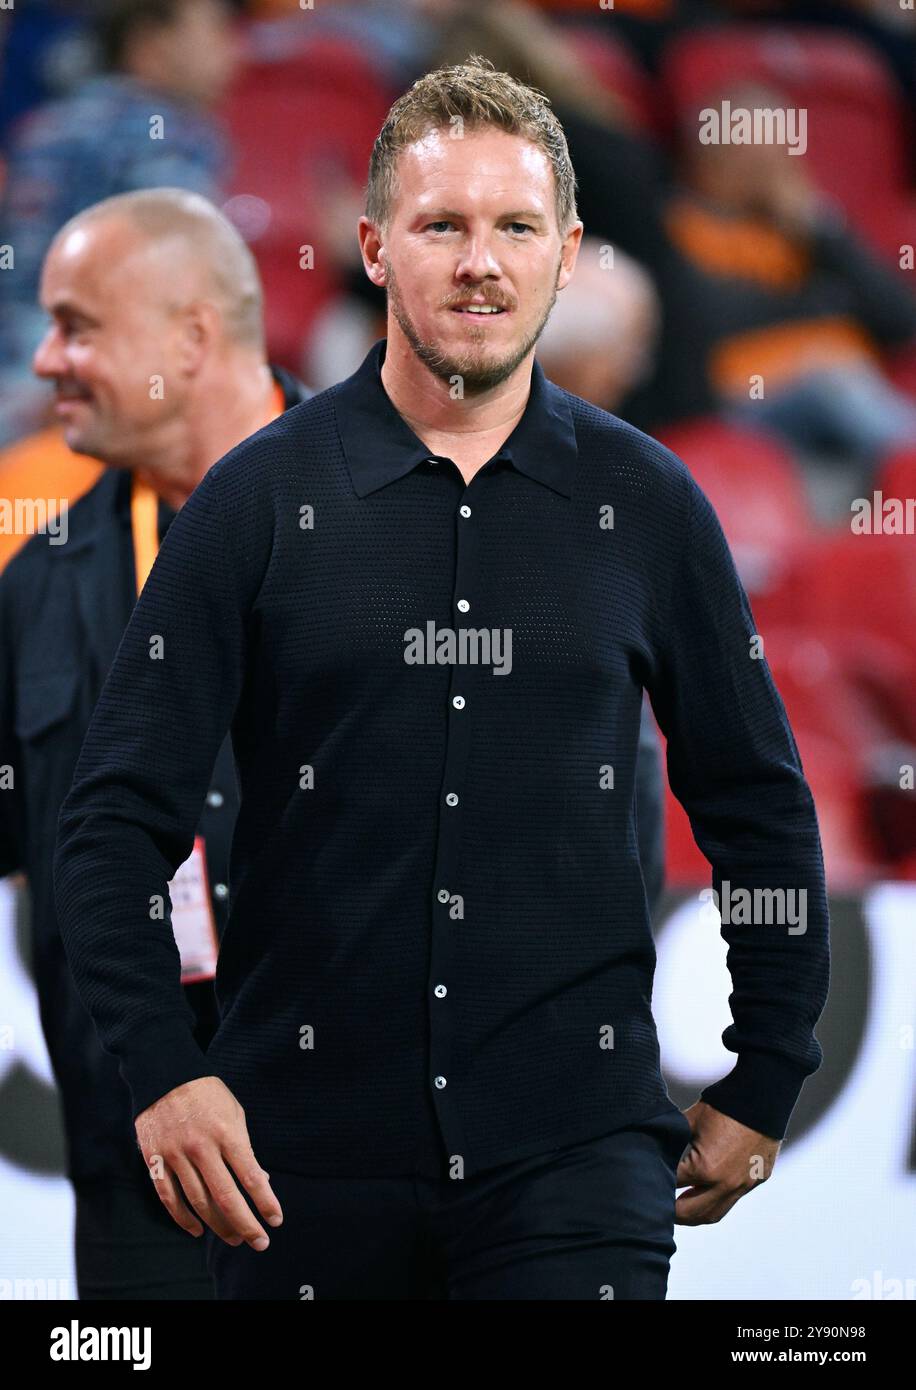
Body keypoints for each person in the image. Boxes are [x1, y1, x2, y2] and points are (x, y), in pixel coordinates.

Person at [53, 59, 830, 1301]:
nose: (482, 261)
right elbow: (108, 823)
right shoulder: (252, 500)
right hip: (293, 1174)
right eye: (443, 225)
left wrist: (769, 1069)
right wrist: (163, 1070)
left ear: (567, 253)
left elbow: (758, 804)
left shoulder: (648, 504)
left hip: (576, 1167)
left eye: (516, 226)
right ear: (372, 245)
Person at [0, 187, 311, 1298]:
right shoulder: (35, 584)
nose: (45, 360)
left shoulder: (401, 519)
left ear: (191, 334)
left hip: (356, 1160)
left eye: (78, 324)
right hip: (135, 1163)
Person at [0, 0, 239, 445]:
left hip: (17, 378)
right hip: (96, 394)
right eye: (215, 29)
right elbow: (180, 277)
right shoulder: (176, 134)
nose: (232, 49)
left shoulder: (41, 127)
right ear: (151, 45)